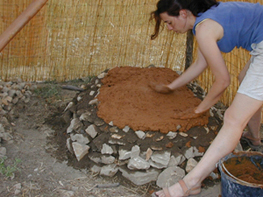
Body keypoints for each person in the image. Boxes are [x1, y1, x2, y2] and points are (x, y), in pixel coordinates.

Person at [149, 0, 263, 196]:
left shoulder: (204, 28)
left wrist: (199, 109)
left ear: (183, 14)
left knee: (233, 119)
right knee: (245, 79)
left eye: (169, 22)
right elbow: (200, 64)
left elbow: (222, 81)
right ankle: (254, 137)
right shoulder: (205, 21)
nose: (169, 28)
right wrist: (170, 87)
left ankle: (189, 184)